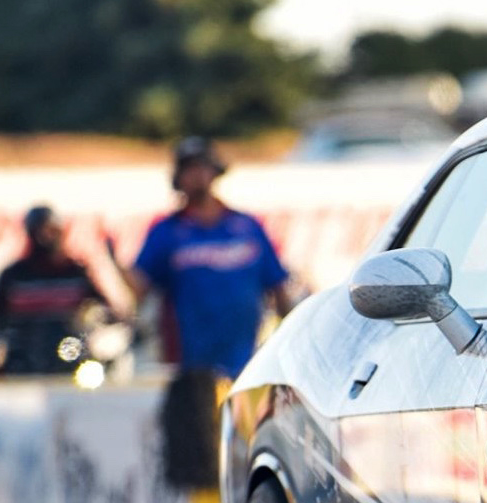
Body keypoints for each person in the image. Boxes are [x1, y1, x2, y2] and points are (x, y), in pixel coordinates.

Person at [122, 137, 295, 380]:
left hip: (247, 358)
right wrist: (113, 262)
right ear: (178, 177)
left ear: (215, 171)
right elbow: (139, 287)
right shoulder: (167, 231)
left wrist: (291, 338)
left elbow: (277, 285)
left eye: (202, 166)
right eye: (189, 168)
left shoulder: (247, 226)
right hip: (189, 362)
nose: (197, 175)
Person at [0, 204, 112, 375]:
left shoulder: (76, 273)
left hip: (70, 364)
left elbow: (102, 311)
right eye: (40, 231)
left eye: (52, 230)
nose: (46, 237)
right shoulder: (14, 277)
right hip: (21, 366)